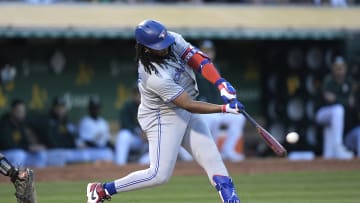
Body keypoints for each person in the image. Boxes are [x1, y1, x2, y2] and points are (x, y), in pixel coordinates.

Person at [86, 19, 244, 203]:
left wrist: (220, 83)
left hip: (184, 110)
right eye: (159, 46)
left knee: (213, 158)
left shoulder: (172, 40)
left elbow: (198, 59)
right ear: (145, 48)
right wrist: (224, 108)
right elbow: (188, 104)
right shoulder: (153, 75)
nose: (165, 47)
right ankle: (102, 190)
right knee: (159, 175)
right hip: (163, 116)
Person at [196, 40, 246, 162]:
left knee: (238, 118)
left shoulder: (215, 67)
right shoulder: (195, 68)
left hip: (219, 108)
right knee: (214, 119)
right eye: (204, 51)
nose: (208, 53)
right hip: (202, 110)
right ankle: (211, 154)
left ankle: (228, 150)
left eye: (210, 51)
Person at [315, 56, 354, 160]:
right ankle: (338, 146)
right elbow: (328, 99)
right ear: (333, 69)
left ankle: (330, 157)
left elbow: (351, 103)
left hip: (336, 117)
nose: (339, 71)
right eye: (337, 68)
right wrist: (343, 100)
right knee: (338, 110)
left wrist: (336, 98)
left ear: (345, 68)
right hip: (322, 113)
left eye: (341, 68)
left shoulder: (349, 81)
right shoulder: (329, 80)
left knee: (328, 154)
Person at [0, 99, 47, 168]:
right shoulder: (4, 124)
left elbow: (25, 142)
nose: (22, 113)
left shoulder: (21, 125)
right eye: (19, 111)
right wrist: (28, 147)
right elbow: (7, 144)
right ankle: (11, 176)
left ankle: (38, 177)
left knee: (41, 155)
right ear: (12, 110)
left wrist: (34, 147)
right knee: (19, 155)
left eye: (23, 111)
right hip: (4, 154)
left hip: (20, 152)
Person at [115, 86, 148, 165]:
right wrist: (139, 132)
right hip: (136, 139)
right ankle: (120, 166)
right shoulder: (128, 106)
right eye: (137, 93)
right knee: (123, 135)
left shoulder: (150, 106)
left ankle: (142, 164)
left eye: (141, 93)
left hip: (149, 141)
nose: (139, 95)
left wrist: (148, 134)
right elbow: (125, 124)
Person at [78, 96, 114, 163]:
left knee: (109, 154)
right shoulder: (85, 122)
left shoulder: (103, 122)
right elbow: (86, 141)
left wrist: (113, 147)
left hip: (102, 150)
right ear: (89, 109)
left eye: (97, 108)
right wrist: (100, 147)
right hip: (90, 150)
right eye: (93, 108)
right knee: (86, 155)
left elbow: (107, 141)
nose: (96, 110)